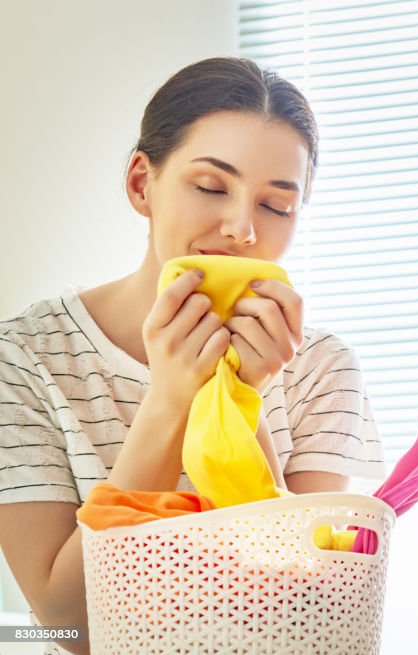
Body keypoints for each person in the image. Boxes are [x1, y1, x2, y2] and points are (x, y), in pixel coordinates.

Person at [0, 57, 386, 654]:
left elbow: (312, 615)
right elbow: (67, 623)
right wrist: (171, 399)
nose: (241, 229)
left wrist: (241, 401)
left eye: (276, 206)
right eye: (210, 187)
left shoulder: (320, 366)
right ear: (140, 184)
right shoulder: (27, 358)